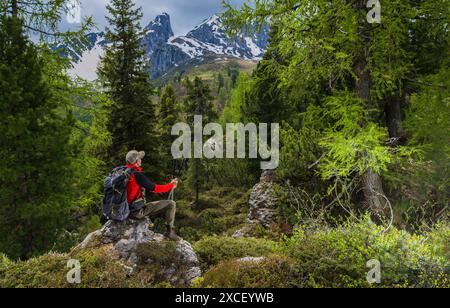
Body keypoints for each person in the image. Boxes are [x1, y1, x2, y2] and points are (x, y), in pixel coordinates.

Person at [125, 150, 181, 241]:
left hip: (120, 210)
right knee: (171, 204)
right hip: (133, 213)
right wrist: (171, 185)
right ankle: (170, 232)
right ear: (136, 161)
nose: (141, 160)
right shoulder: (136, 175)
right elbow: (156, 188)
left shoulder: (122, 172)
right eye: (139, 158)